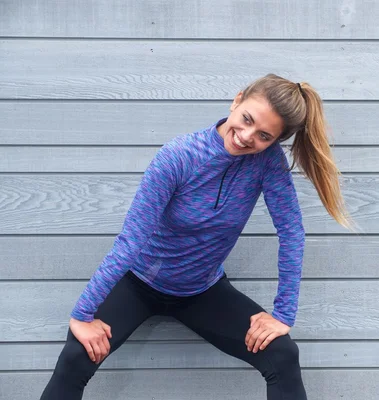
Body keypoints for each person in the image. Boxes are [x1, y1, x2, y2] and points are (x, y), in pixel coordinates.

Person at [40, 73, 352, 400]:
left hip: (202, 291)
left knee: (283, 354)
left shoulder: (267, 162)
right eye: (246, 119)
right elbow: (131, 240)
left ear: (275, 141)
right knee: (76, 356)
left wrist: (283, 316)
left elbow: (291, 232)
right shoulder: (179, 156)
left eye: (263, 135)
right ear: (237, 100)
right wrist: (82, 314)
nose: (246, 136)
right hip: (138, 283)